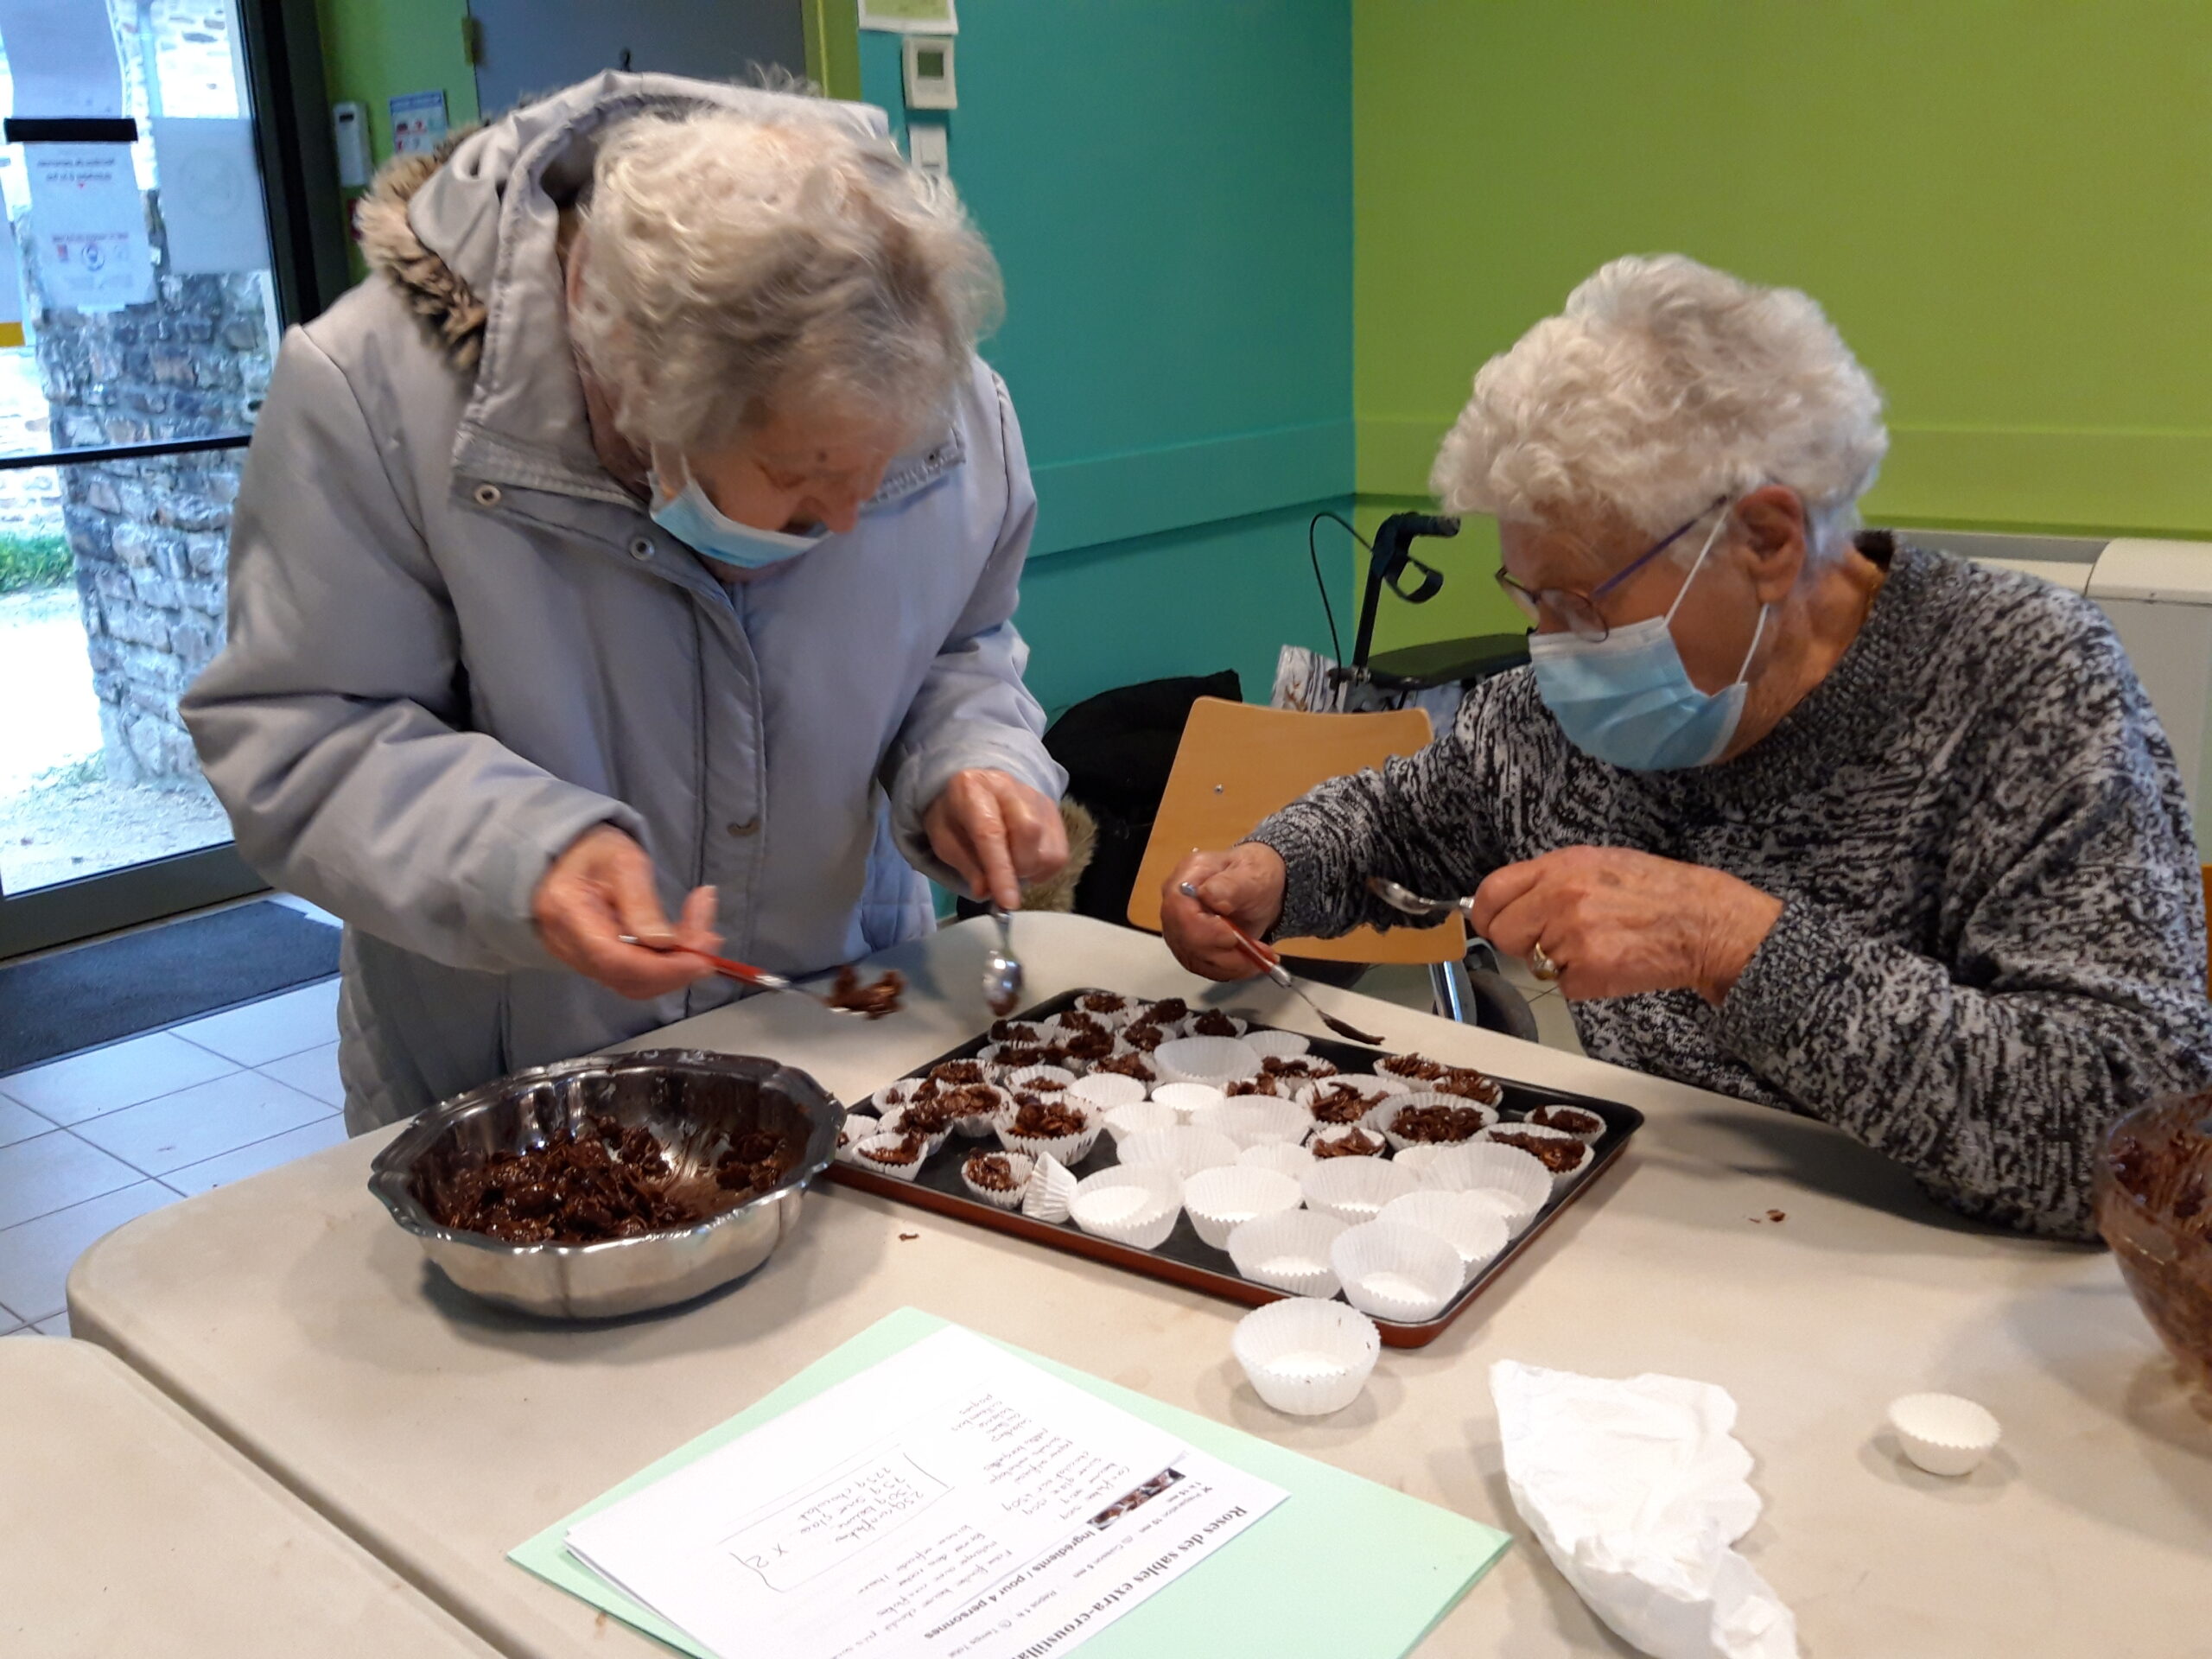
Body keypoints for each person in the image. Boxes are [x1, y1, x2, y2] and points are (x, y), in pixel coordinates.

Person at [1162, 254, 2212, 1240]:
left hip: (1946, 1292)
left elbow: (2138, 1137)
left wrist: (1733, 943)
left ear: (1766, 540)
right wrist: (1275, 869)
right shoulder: (1552, 716)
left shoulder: (2023, 679)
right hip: (1668, 1245)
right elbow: (1396, 820)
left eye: (1581, 602)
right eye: (1528, 600)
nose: (1551, 648)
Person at [183, 74, 1068, 1130]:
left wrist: (974, 759)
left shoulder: (940, 387)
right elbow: (303, 732)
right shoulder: (372, 394)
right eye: (800, 478)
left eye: (880, 471)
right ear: (645, 404)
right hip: (515, 1083)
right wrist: (524, 853)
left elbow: (960, 642)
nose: (849, 519)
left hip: (835, 1033)